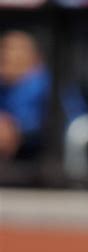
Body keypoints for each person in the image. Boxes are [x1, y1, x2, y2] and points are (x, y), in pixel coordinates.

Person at [0, 31, 51, 160]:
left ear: (34, 58)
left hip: (44, 162)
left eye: (13, 50)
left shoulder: (46, 84)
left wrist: (18, 128)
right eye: (3, 48)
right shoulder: (4, 86)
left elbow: (71, 124)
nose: (5, 55)